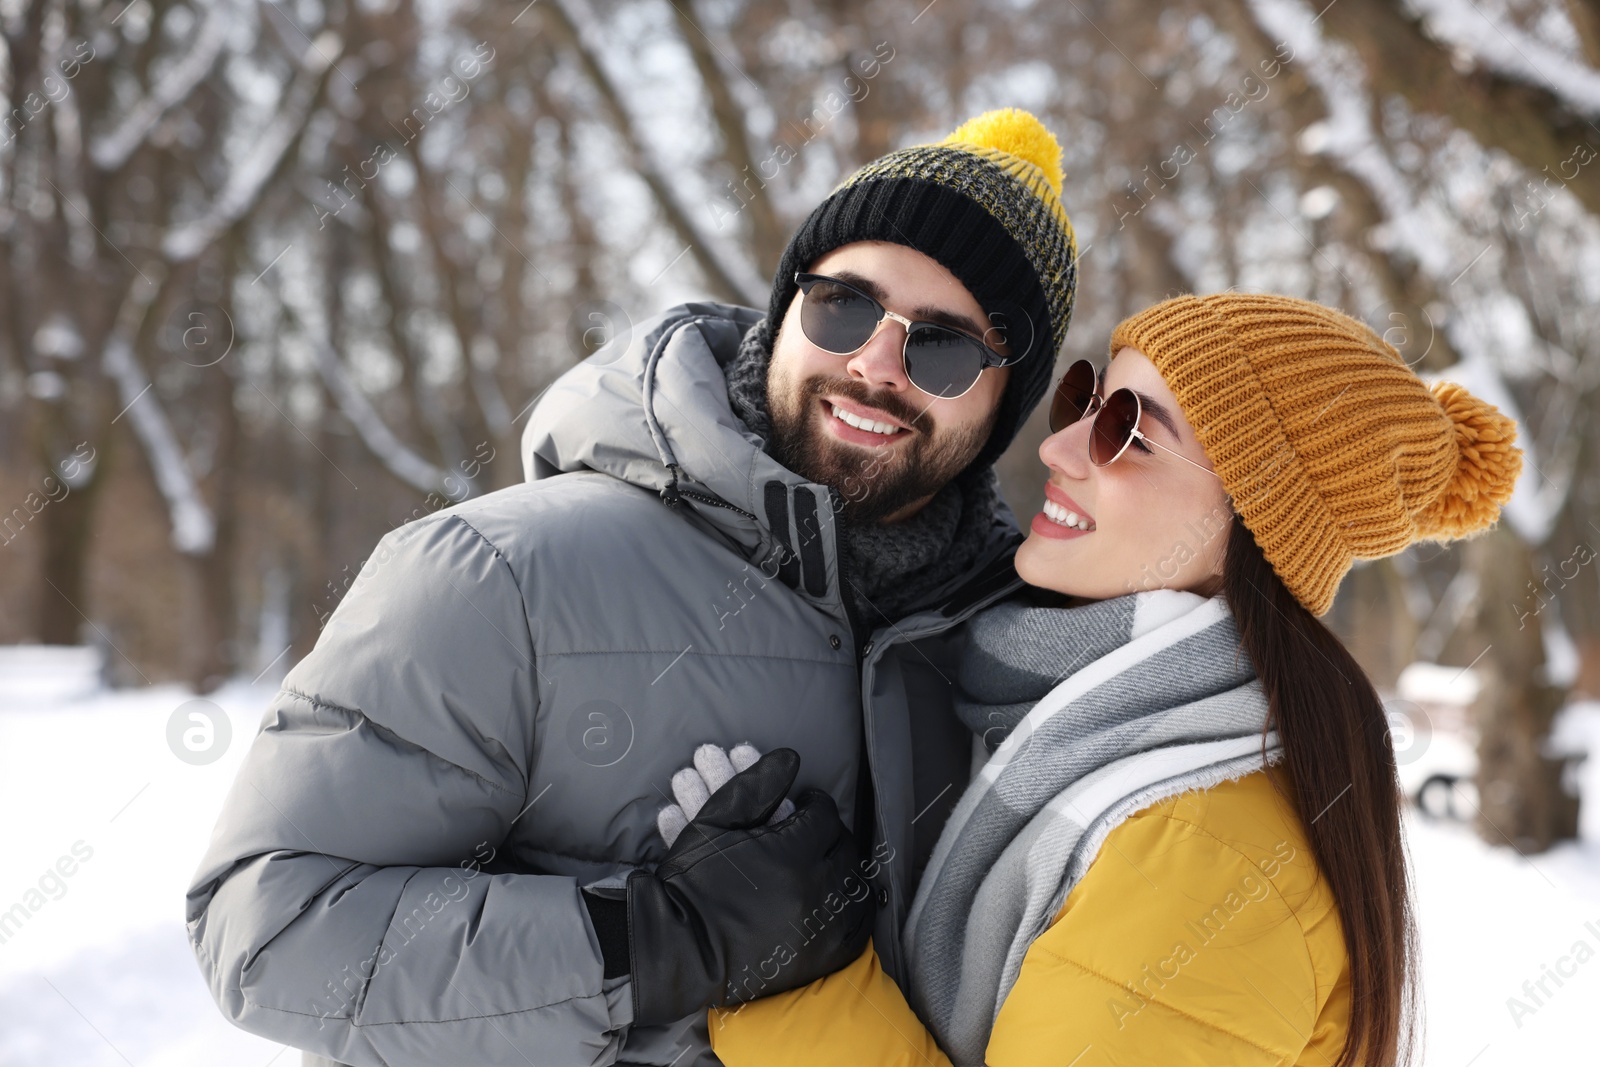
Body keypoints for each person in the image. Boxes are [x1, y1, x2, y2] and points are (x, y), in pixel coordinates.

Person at [183, 108, 1078, 1066]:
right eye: (843, 307)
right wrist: (652, 938)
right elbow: (267, 930)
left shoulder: (1017, 650)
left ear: (1001, 406)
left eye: (942, 347)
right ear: (785, 313)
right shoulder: (506, 572)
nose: (873, 364)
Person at [706, 293, 1522, 1066]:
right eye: (1088, 398)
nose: (1059, 447)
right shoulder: (1068, 728)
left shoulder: (1206, 860)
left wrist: (789, 974)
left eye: (1128, 432)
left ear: (1255, 525)